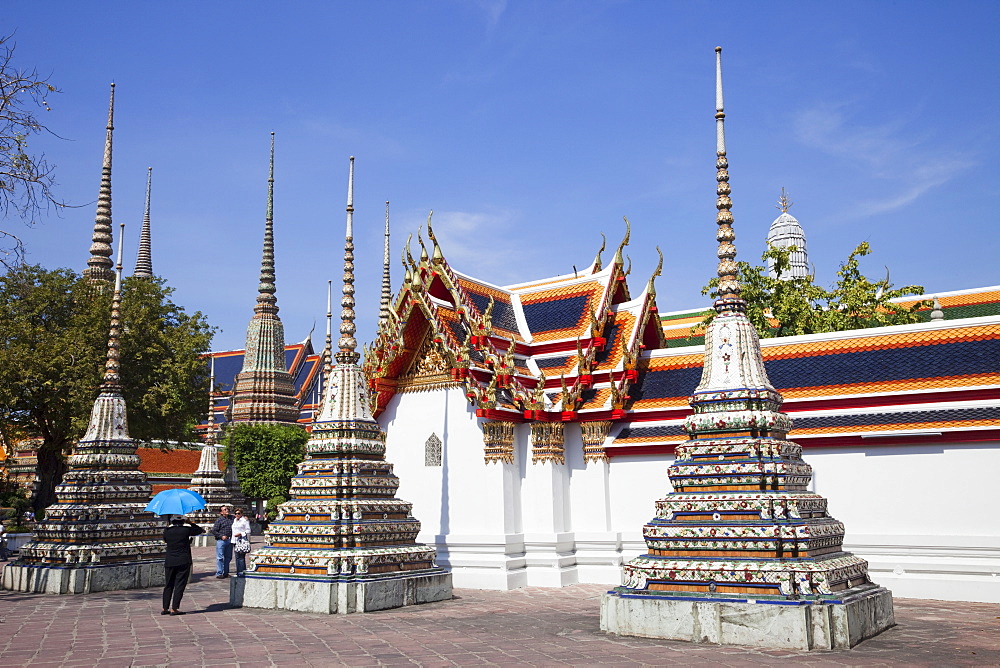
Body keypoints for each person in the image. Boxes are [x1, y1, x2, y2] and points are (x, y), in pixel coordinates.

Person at [162, 515, 204, 616]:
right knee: (179, 584)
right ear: (182, 521)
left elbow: (165, 540)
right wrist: (190, 522)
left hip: (170, 560)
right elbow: (200, 530)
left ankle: (165, 607)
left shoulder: (167, 531)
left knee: (168, 584)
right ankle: (174, 608)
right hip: (183, 560)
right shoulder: (186, 530)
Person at [210, 505, 234, 578]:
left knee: (228, 557)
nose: (227, 510)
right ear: (221, 512)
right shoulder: (219, 520)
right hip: (221, 541)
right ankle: (219, 573)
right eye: (225, 509)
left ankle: (225, 572)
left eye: (227, 509)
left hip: (230, 540)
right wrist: (221, 536)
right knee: (220, 557)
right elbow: (213, 530)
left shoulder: (232, 518)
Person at [231, 507, 252, 577]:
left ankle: (242, 571)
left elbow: (248, 530)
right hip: (234, 540)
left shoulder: (244, 521)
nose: (237, 515)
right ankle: (238, 571)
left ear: (241, 514)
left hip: (241, 540)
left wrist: (240, 534)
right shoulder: (234, 520)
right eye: (236, 513)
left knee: (241, 557)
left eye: (238, 513)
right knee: (237, 557)